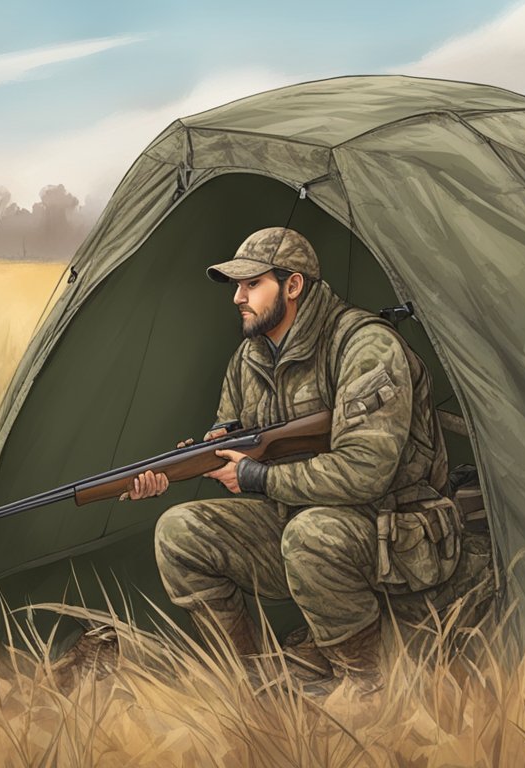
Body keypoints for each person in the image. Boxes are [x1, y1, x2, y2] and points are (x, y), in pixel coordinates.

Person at [124, 226, 461, 693]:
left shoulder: (364, 345)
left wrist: (259, 477)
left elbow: (366, 472)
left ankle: (365, 683)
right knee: (178, 532)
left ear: (294, 285)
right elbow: (232, 438)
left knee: (310, 535)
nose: (238, 298)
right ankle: (251, 677)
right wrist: (189, 464)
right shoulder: (249, 357)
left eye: (251, 284)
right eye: (236, 287)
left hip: (390, 527)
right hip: (295, 521)